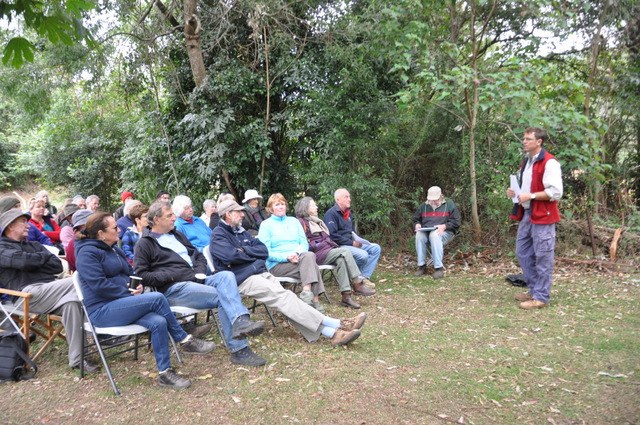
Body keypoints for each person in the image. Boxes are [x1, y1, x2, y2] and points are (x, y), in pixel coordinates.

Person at [75, 212, 214, 389]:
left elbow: (131, 273)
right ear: (101, 234)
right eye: (114, 228)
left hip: (122, 304)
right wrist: (127, 291)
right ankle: (184, 339)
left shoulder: (114, 249)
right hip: (102, 311)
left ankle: (165, 373)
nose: (119, 229)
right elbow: (99, 285)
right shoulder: (87, 254)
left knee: (158, 321)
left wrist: (137, 286)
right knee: (157, 298)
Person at [210, 199, 366, 346]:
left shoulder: (240, 232)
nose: (243, 215)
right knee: (284, 297)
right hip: (243, 279)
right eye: (238, 212)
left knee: (287, 300)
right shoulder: (218, 235)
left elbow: (263, 251)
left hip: (258, 273)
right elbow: (231, 256)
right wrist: (251, 257)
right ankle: (337, 326)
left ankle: (330, 331)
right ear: (228, 214)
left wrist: (244, 252)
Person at [134, 201, 267, 366]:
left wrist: (199, 271)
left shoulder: (177, 235)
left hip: (196, 279)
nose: (174, 218)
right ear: (156, 219)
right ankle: (239, 350)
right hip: (173, 289)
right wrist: (173, 275)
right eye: (169, 215)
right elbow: (142, 275)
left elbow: (198, 256)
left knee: (226, 276)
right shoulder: (145, 243)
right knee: (222, 296)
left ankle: (240, 321)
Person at [0, 209, 97, 372]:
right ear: (10, 226)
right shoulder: (2, 248)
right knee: (80, 280)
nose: (28, 225)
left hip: (52, 290)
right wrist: (42, 258)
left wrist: (34, 260)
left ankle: (78, 359)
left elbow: (57, 265)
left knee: (72, 303)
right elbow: (22, 262)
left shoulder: (34, 245)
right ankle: (105, 331)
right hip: (25, 295)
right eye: (23, 222)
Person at [506, 127, 563, 310]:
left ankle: (541, 297)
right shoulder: (527, 162)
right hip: (527, 213)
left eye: (528, 139)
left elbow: (556, 192)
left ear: (539, 142)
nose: (524, 141)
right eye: (524, 138)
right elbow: (527, 187)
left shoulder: (550, 162)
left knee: (543, 256)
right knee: (522, 252)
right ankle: (533, 289)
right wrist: (515, 192)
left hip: (543, 216)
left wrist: (529, 196)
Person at [295, 196, 375, 309]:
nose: (316, 207)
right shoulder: (301, 223)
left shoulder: (316, 221)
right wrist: (322, 244)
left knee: (341, 259)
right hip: (314, 254)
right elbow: (304, 243)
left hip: (326, 251)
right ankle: (357, 283)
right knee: (345, 251)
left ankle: (346, 296)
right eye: (313, 205)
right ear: (305, 208)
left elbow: (326, 238)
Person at [258, 194, 327, 312]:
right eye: (277, 204)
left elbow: (304, 244)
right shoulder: (266, 225)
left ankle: (307, 296)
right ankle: (314, 301)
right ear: (271, 208)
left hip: (299, 259)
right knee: (311, 262)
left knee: (309, 257)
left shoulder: (294, 221)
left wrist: (296, 253)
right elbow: (266, 252)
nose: (281, 207)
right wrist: (286, 257)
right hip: (277, 265)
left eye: (282, 204)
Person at [323, 189, 381, 286]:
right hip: (338, 247)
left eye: (349, 197)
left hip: (350, 243)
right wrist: (352, 243)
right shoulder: (331, 214)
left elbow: (352, 232)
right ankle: (353, 277)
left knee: (375, 248)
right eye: (346, 197)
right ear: (338, 199)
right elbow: (332, 236)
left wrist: (358, 240)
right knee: (363, 255)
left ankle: (364, 277)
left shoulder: (348, 214)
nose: (349, 199)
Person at [412, 186, 461, 279]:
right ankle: (422, 266)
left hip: (446, 232)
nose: (433, 202)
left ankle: (439, 268)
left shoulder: (449, 204)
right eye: (431, 200)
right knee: (419, 235)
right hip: (427, 231)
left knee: (434, 234)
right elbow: (415, 219)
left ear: (441, 196)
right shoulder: (423, 206)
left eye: (436, 200)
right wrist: (417, 225)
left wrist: (444, 226)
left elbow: (457, 222)